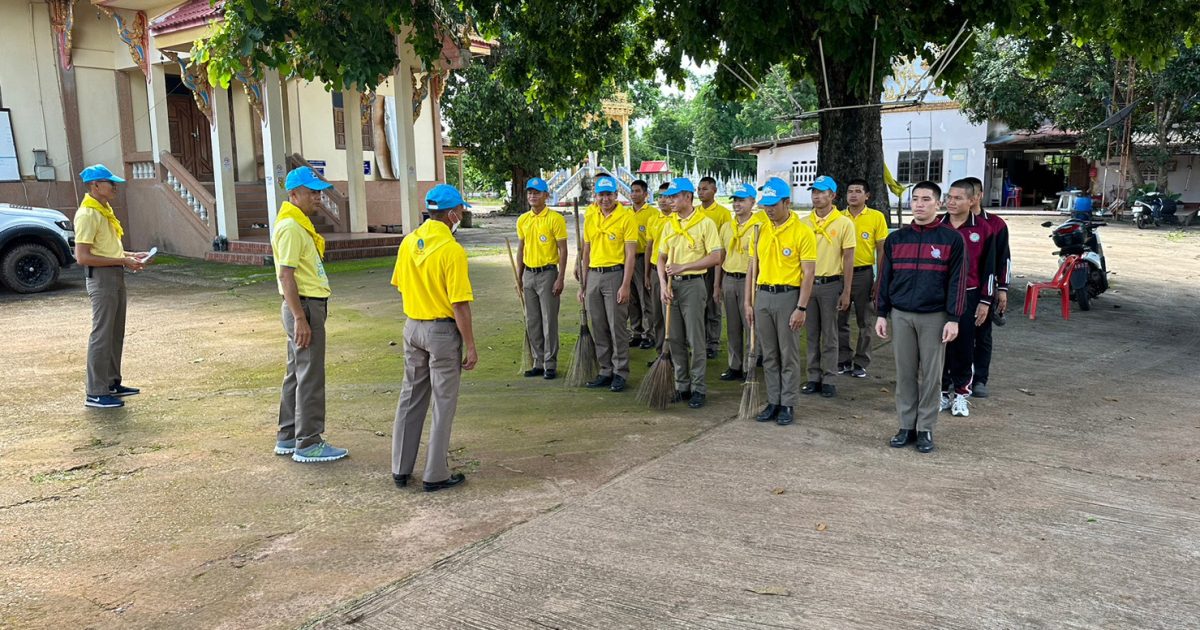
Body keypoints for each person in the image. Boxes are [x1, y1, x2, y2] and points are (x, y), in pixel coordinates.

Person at [390, 184, 479, 492]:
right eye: (461, 211)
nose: (461, 215)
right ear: (452, 214)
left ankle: (400, 468)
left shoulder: (408, 242)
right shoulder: (452, 251)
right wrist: (470, 345)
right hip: (442, 332)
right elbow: (459, 304)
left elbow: (400, 284)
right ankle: (435, 473)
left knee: (410, 397)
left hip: (412, 326)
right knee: (443, 402)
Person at [875, 181, 966, 454]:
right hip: (901, 315)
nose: (919, 204)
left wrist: (954, 318)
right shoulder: (897, 239)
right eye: (915, 199)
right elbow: (885, 279)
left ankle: (925, 428)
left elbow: (957, 281)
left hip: (934, 316)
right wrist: (881, 313)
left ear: (938, 203)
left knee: (931, 376)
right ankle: (906, 426)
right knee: (904, 374)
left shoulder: (951, 239)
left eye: (926, 199)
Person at [271, 166, 348, 462]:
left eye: (319, 192)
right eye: (311, 192)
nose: (318, 197)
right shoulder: (291, 227)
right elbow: (286, 275)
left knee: (297, 372)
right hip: (304, 307)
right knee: (310, 375)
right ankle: (309, 442)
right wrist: (300, 318)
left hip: (304, 306)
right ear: (293, 194)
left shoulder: (297, 224)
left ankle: (289, 436)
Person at [73, 165, 148, 409]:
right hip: (101, 278)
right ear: (95, 185)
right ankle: (95, 392)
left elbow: (106, 248)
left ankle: (112, 383)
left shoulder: (103, 210)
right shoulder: (88, 214)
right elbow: (82, 257)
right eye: (110, 183)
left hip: (114, 274)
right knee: (102, 334)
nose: (115, 187)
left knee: (115, 332)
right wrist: (123, 261)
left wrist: (130, 255)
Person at [747, 177, 816, 426]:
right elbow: (752, 268)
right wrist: (749, 302)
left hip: (789, 296)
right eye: (766, 204)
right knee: (769, 354)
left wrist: (801, 307)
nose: (769, 209)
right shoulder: (760, 230)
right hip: (763, 295)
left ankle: (788, 403)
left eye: (774, 204)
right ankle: (773, 401)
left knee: (788, 354)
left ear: (787, 202)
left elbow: (809, 273)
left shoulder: (802, 231)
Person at [657, 177, 724, 408]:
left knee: (695, 338)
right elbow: (661, 258)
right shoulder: (670, 224)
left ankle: (698, 388)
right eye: (668, 197)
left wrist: (684, 267)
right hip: (671, 286)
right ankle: (681, 385)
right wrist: (662, 284)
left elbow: (716, 257)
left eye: (675, 197)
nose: (670, 201)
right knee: (675, 338)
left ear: (688, 197)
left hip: (693, 285)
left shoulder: (705, 223)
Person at [939, 179, 995, 418]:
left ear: (972, 200)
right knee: (939, 345)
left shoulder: (984, 229)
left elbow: (989, 268)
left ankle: (961, 393)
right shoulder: (936, 225)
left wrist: (985, 301)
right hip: (938, 296)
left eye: (958, 198)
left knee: (963, 345)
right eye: (949, 197)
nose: (951, 202)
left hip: (969, 295)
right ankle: (941, 391)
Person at [578, 175, 638, 392]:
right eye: (601, 195)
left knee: (617, 326)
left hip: (615, 274)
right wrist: (583, 283)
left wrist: (625, 284)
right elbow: (586, 250)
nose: (605, 199)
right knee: (599, 325)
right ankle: (605, 370)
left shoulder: (626, 217)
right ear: (595, 196)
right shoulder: (591, 216)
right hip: (594, 275)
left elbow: (630, 255)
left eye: (609, 195)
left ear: (616, 195)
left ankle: (620, 371)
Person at [801, 176, 856, 398]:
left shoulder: (844, 223)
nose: (816, 196)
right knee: (811, 332)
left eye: (821, 192)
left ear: (832, 195)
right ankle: (813, 376)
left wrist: (846, 291)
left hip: (830, 284)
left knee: (830, 333)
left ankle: (830, 377)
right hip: (807, 284)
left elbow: (848, 258)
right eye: (814, 191)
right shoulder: (804, 222)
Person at [516, 177, 568, 380]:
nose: (532, 196)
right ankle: (538, 362)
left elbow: (563, 250)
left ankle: (550, 363)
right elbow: (521, 249)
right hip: (529, 274)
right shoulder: (523, 220)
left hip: (548, 274)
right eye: (530, 192)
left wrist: (560, 278)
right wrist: (519, 277)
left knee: (549, 320)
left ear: (546, 195)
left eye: (537, 193)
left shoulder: (555, 219)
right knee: (532, 320)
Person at [837, 179, 889, 379]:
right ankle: (843, 358)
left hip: (864, 275)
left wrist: (879, 280)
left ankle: (860, 361)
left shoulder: (876, 217)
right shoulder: (838, 217)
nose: (853, 195)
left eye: (858, 191)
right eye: (850, 191)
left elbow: (881, 250)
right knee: (839, 319)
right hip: (839, 275)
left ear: (867, 196)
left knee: (864, 320)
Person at [715, 183, 765, 381]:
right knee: (733, 325)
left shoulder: (759, 227)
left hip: (749, 280)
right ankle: (734, 365)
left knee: (750, 323)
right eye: (735, 200)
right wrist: (717, 284)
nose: (737, 204)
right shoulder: (727, 227)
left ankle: (749, 365)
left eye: (742, 200)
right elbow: (721, 256)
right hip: (729, 278)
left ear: (752, 202)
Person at [967, 176, 1010, 398]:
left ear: (979, 196)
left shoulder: (995, 224)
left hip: (985, 289)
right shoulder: (949, 223)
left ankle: (980, 379)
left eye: (972, 194)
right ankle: (955, 379)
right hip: (957, 290)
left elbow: (1003, 259)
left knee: (982, 335)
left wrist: (1002, 288)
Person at [697, 176, 730, 359]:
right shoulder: (695, 212)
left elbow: (724, 243)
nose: (701, 192)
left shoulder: (723, 213)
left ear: (715, 190)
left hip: (714, 264)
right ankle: (700, 340)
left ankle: (713, 343)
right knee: (699, 304)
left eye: (705, 189)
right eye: (699, 189)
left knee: (713, 303)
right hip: (697, 264)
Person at [643, 181, 674, 365]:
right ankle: (661, 353)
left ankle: (676, 354)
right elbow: (649, 247)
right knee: (658, 315)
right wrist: (647, 274)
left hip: (675, 271)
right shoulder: (653, 219)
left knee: (674, 315)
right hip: (656, 271)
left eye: (667, 196)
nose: (663, 200)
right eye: (660, 196)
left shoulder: (678, 219)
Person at [629, 179, 656, 349]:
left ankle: (649, 334)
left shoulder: (652, 213)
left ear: (645, 194)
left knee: (645, 298)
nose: (634, 194)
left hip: (643, 259)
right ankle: (636, 332)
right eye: (632, 191)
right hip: (627, 259)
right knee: (631, 299)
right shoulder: (625, 213)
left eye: (638, 191)